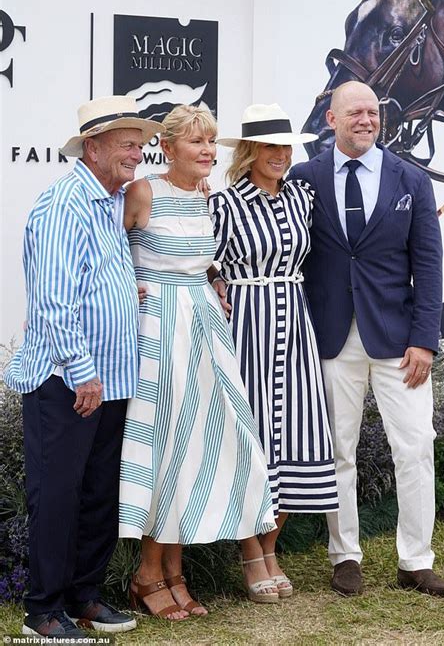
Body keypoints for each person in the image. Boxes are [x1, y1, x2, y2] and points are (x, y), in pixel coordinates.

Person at [289, 81, 444, 598]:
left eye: (372, 111)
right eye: (354, 112)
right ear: (331, 120)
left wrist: (425, 339)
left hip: (400, 341)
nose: (366, 119)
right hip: (331, 339)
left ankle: (416, 560)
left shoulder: (411, 179)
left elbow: (429, 264)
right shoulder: (305, 179)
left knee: (414, 448)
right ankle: (345, 556)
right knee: (336, 451)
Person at [4, 96, 164, 640]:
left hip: (110, 378)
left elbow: (89, 280)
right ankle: (43, 611)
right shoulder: (64, 205)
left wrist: (126, 290)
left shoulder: (106, 201)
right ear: (92, 148)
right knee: (57, 492)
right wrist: (82, 370)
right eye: (127, 144)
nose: (136, 154)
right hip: (70, 379)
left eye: (140, 145)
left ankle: (84, 598)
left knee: (97, 492)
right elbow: (52, 301)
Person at [118, 104, 276, 619]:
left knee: (196, 445)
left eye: (211, 143)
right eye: (196, 143)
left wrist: (213, 280)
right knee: (164, 446)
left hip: (206, 327)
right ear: (168, 148)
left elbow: (197, 256)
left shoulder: (207, 195)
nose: (208, 151)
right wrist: (127, 285)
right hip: (160, 329)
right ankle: (147, 574)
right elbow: (106, 247)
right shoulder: (143, 191)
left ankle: (174, 572)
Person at [208, 103, 338, 603]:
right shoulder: (223, 204)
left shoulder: (303, 196)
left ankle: (271, 548)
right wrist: (219, 282)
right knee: (252, 436)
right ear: (249, 152)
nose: (281, 155)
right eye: (270, 147)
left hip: (295, 324)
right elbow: (202, 262)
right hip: (246, 326)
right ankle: (249, 554)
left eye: (285, 146)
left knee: (296, 438)